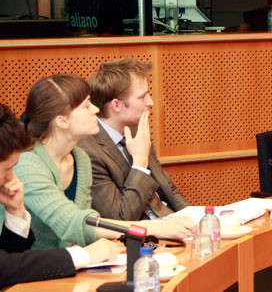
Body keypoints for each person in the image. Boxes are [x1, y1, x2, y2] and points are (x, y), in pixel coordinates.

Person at [14, 74, 196, 250]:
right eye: (86, 106)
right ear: (62, 121)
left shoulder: (79, 158)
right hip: (32, 270)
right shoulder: (27, 164)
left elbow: (87, 224)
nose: (95, 109)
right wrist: (155, 228)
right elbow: (73, 223)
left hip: (73, 263)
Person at [0, 103, 120, 288]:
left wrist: (15, 212)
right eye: (7, 168)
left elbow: (9, 258)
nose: (11, 177)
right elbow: (5, 267)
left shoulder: (81, 158)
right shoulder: (33, 163)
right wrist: (85, 255)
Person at [78, 58, 188, 220]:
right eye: (143, 96)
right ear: (117, 105)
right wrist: (140, 163)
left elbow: (168, 189)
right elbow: (120, 218)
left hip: (171, 222)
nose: (150, 102)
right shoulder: (88, 151)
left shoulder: (137, 130)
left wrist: (196, 222)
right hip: (140, 237)